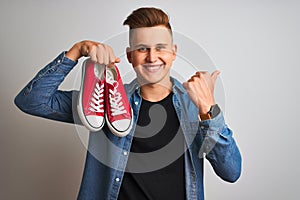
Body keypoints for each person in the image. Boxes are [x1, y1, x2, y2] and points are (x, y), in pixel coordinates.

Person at [14, 7, 242, 200]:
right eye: (142, 49)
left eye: (160, 47)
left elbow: (231, 172)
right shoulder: (102, 101)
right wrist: (78, 50)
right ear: (130, 55)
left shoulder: (196, 106)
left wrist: (208, 109)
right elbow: (31, 101)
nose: (152, 57)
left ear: (173, 53)